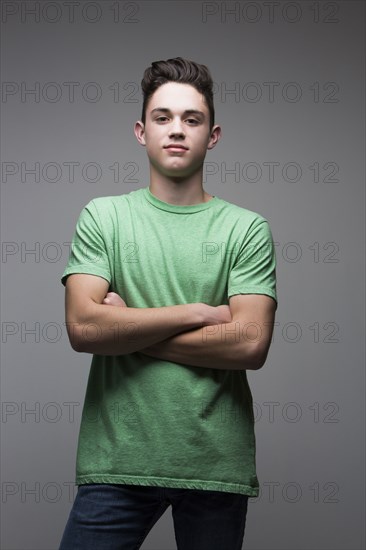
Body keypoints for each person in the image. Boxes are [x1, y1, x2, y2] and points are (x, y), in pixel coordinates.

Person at [59, 57, 278, 550]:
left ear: (213, 135)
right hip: (117, 460)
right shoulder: (104, 217)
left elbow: (250, 345)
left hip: (214, 463)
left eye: (191, 119)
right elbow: (83, 330)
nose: (176, 130)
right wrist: (199, 313)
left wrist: (125, 329)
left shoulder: (245, 229)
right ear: (141, 131)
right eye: (163, 118)